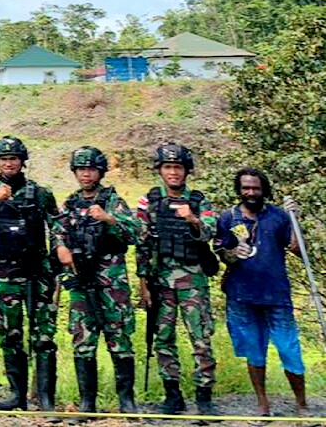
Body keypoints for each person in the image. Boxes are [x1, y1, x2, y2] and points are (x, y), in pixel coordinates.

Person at [0, 136, 59, 412]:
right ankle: (17, 395)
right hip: (6, 273)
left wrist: (55, 270)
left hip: (38, 273)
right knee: (10, 333)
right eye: (3, 159)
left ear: (22, 162)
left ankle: (45, 399)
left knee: (43, 335)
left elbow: (57, 229)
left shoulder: (41, 193)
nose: (9, 163)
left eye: (13, 158)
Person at [52, 146, 138, 414]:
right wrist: (60, 247)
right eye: (81, 169)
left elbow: (136, 232)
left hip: (111, 280)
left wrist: (108, 218)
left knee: (119, 335)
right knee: (82, 338)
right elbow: (58, 231)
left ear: (100, 171)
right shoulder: (70, 203)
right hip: (80, 279)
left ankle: (127, 401)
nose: (85, 174)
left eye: (90, 169)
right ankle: (88, 402)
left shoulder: (113, 200)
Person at [136, 142, 218, 415]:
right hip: (161, 282)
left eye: (178, 167)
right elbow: (142, 242)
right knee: (163, 338)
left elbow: (210, 231)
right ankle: (173, 395)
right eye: (168, 167)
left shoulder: (198, 199)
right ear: (160, 170)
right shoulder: (150, 200)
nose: (173, 173)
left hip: (192, 280)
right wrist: (143, 283)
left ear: (186, 171)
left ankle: (204, 396)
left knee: (201, 338)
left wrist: (192, 219)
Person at [216, 169, 307, 416]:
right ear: (239, 190)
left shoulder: (279, 216)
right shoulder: (228, 218)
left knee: (289, 348)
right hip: (242, 295)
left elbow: (299, 251)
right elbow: (222, 254)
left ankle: (301, 406)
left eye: (256, 188)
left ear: (263, 190)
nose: (251, 193)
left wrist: (296, 221)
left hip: (276, 295)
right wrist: (234, 254)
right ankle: (263, 406)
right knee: (254, 350)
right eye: (246, 188)